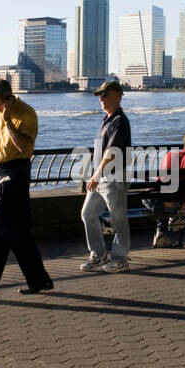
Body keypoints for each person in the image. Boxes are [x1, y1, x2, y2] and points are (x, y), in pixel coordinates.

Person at [0, 78, 53, 302]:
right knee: (18, 231)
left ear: (7, 98)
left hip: (15, 173)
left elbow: (24, 147)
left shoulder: (26, 113)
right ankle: (39, 280)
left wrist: (8, 122)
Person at [80, 80, 132, 274]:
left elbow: (112, 152)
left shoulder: (120, 120)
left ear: (117, 96)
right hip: (101, 178)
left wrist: (96, 174)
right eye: (100, 95)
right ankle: (99, 254)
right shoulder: (107, 119)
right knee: (88, 214)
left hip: (114, 177)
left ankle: (120, 259)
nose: (101, 99)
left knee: (118, 218)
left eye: (105, 94)